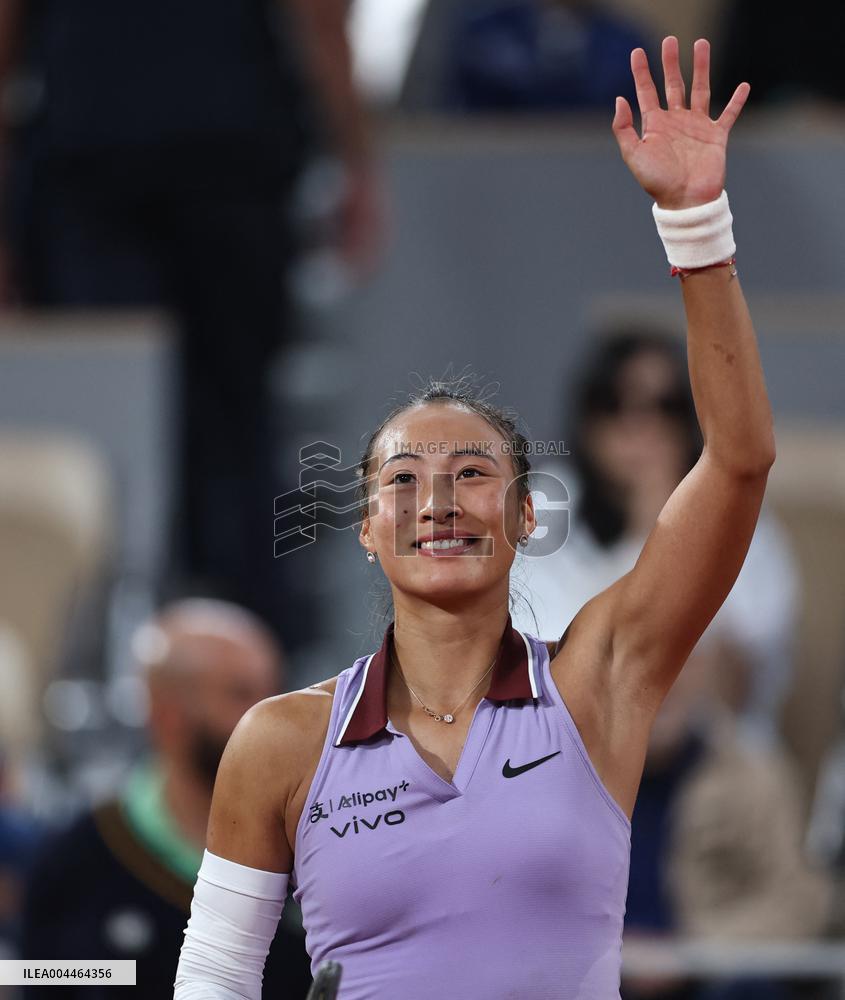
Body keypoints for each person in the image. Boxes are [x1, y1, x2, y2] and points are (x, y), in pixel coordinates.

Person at [175, 37, 773, 999]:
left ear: (528, 516)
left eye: (471, 474)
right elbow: (212, 980)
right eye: (403, 480)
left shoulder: (597, 684)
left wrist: (695, 225)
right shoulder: (279, 743)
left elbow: (738, 463)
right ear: (367, 528)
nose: (438, 501)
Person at [0, 0, 381, 645]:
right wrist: (356, 155)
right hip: (209, 141)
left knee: (113, 421)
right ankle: (247, 645)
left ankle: (129, 648)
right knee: (232, 412)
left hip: (104, 142)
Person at [511, 329, 798, 747]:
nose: (639, 425)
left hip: (706, 758)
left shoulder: (740, 516)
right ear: (589, 416)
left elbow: (739, 679)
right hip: (573, 747)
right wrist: (639, 539)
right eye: (616, 403)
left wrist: (667, 527)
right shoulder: (546, 501)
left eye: (664, 407)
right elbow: (550, 658)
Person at [20, 599, 312, 997]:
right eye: (240, 693)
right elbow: (40, 977)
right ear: (167, 714)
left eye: (276, 691)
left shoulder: (317, 848)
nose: (270, 714)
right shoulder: (78, 859)